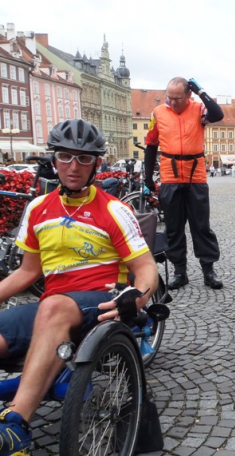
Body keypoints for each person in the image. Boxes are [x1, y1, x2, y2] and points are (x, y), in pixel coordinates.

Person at [0, 119, 158, 453]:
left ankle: (16, 428)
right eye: (66, 157)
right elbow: (28, 272)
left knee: (53, 306)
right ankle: (33, 383)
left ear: (96, 164)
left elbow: (146, 269)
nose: (74, 166)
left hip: (98, 303)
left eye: (83, 159)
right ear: (53, 160)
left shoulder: (114, 210)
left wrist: (137, 297)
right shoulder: (37, 209)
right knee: (41, 312)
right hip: (52, 307)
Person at [144, 77, 225, 291]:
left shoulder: (199, 109)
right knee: (173, 227)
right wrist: (147, 177)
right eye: (169, 97)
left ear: (188, 95)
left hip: (195, 175)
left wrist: (201, 91)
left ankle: (208, 270)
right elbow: (151, 145)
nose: (172, 102)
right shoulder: (158, 113)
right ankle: (180, 271)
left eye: (177, 98)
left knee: (201, 226)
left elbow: (218, 114)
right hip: (170, 176)